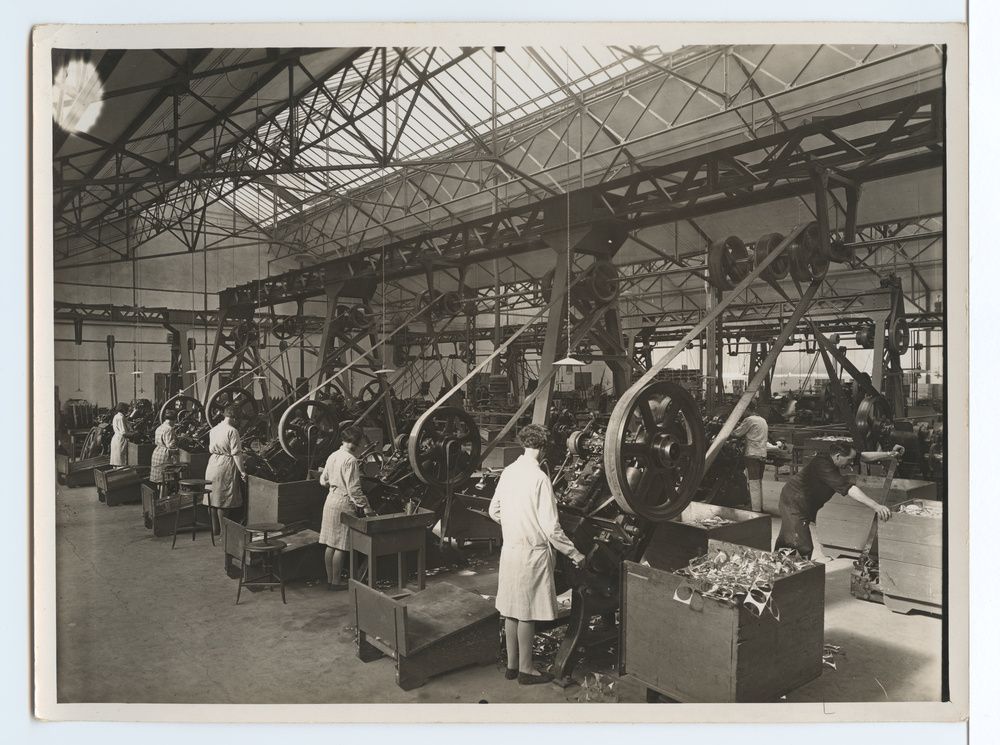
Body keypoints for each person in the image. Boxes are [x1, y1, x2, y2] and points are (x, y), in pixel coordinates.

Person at [488, 424, 586, 685]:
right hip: (532, 553)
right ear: (543, 448)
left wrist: (515, 524)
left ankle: (511, 667)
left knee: (510, 610)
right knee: (527, 612)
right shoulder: (540, 478)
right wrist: (574, 553)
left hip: (510, 550)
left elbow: (493, 511)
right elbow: (551, 528)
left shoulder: (509, 472)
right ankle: (526, 670)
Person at [775, 441, 904, 559]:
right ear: (838, 456)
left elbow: (862, 456)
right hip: (794, 503)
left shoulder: (831, 456)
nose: (852, 463)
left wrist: (889, 454)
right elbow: (848, 489)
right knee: (803, 546)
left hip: (801, 502)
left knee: (788, 538)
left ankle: (775, 569)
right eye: (849, 460)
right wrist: (876, 506)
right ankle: (796, 578)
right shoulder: (823, 466)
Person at [318, 425, 371, 591]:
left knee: (330, 544)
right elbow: (354, 490)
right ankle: (336, 582)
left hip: (330, 501)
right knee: (341, 545)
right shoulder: (350, 460)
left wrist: (334, 483)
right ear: (356, 442)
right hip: (343, 504)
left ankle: (329, 580)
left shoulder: (333, 455)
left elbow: (322, 480)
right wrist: (367, 508)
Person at [204, 405, 247, 531]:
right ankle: (224, 533)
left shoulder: (214, 429)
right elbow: (236, 454)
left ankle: (215, 530)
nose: (239, 422)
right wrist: (243, 472)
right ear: (234, 418)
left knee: (213, 498)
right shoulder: (232, 431)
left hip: (212, 464)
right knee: (223, 500)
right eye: (238, 419)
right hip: (225, 465)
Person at [730, 400, 769, 512]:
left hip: (752, 454)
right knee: (758, 481)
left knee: (753, 481)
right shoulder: (762, 420)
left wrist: (728, 430)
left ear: (747, 409)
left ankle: (755, 509)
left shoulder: (749, 420)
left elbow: (737, 433)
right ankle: (759, 506)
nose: (743, 413)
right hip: (762, 453)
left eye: (744, 410)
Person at [149, 410, 178, 484]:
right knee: (165, 480)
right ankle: (165, 494)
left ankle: (160, 494)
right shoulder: (169, 429)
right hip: (164, 455)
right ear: (174, 420)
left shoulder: (159, 427)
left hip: (157, 452)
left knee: (159, 479)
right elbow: (170, 446)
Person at [109, 402, 130, 467]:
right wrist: (134, 434)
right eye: (127, 409)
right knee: (121, 462)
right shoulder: (121, 417)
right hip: (121, 440)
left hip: (116, 439)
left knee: (116, 461)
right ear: (123, 409)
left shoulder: (116, 416)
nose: (128, 411)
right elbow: (124, 433)